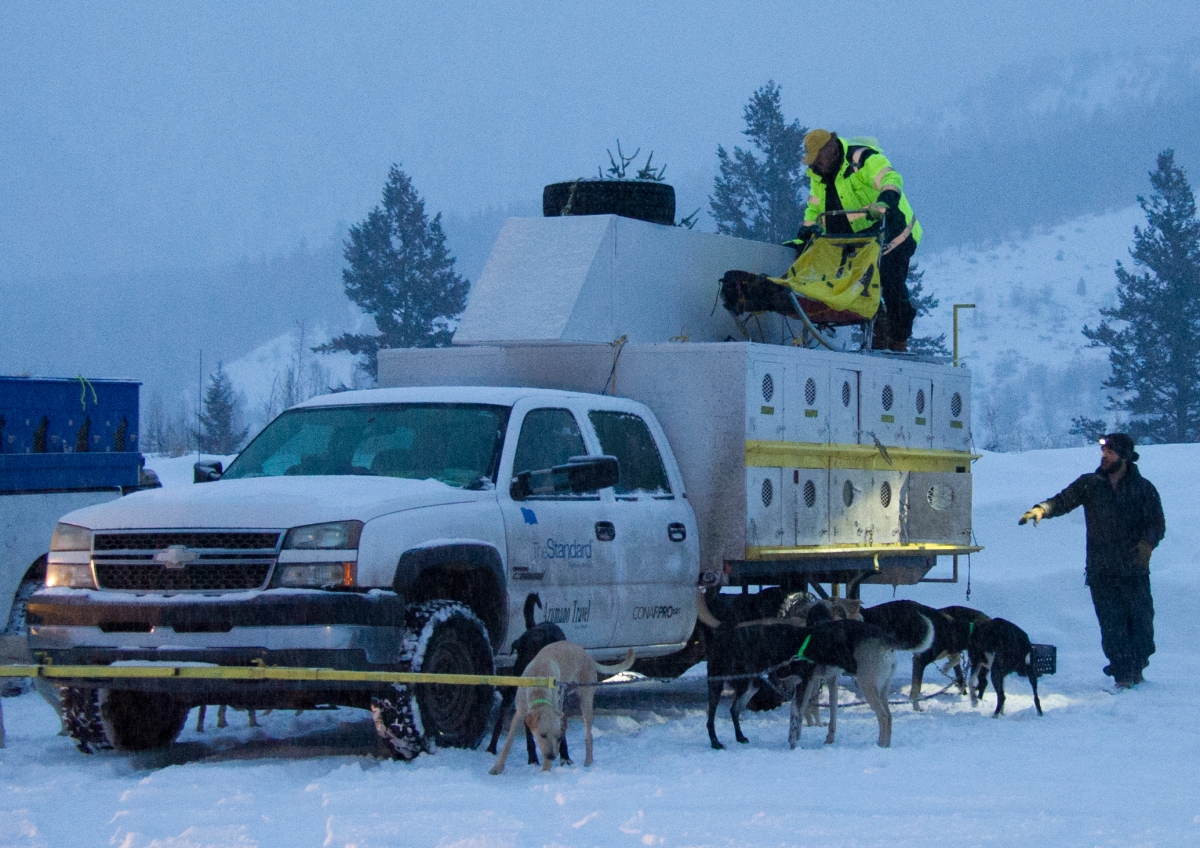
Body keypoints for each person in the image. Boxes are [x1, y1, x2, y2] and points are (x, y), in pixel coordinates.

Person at [1018, 434, 1165, 689]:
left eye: (1111, 452)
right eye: (1103, 451)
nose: (1104, 456)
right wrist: (1041, 509)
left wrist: (1147, 544)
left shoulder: (1144, 489)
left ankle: (1136, 669)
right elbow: (1062, 500)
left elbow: (1157, 524)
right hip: (1102, 572)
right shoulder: (1091, 484)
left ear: (1125, 456)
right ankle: (1123, 677)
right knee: (1113, 628)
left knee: (1142, 626)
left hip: (1134, 571)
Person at [793, 130, 922, 351]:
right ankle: (878, 331)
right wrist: (804, 233)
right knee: (857, 288)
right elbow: (815, 206)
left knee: (891, 284)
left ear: (831, 147)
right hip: (859, 240)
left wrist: (883, 203)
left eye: (818, 156)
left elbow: (891, 179)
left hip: (893, 233)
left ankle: (898, 340)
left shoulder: (862, 159)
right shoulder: (818, 175)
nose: (815, 163)